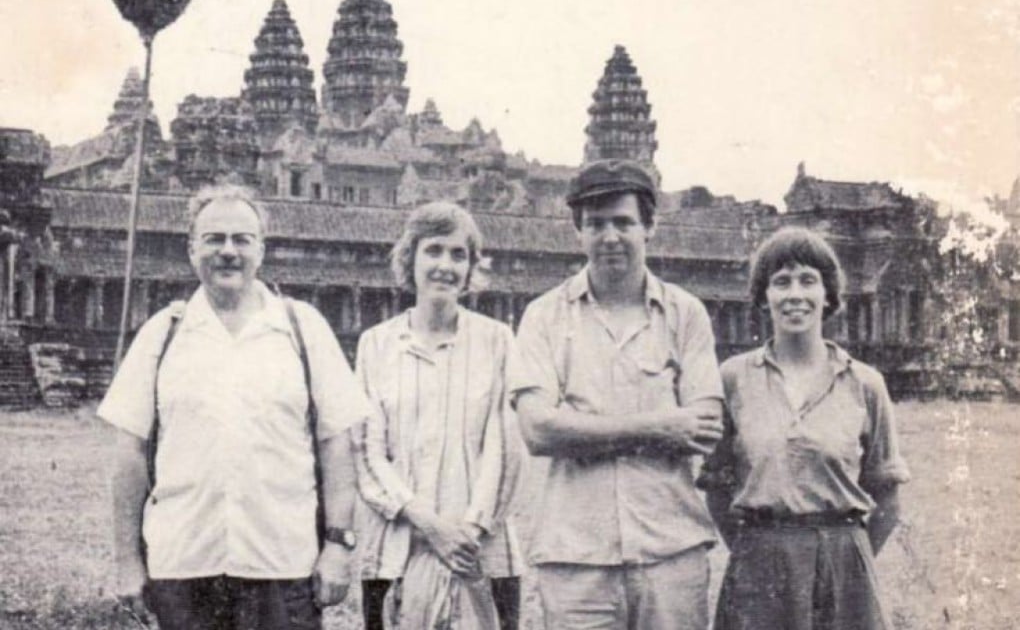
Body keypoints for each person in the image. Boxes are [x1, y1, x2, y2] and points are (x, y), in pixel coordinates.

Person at [99, 184, 371, 629]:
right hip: (184, 563)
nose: (228, 251)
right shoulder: (163, 333)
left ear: (260, 250)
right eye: (214, 239)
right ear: (192, 250)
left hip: (283, 565)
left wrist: (339, 545)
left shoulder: (302, 328)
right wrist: (127, 561)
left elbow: (336, 447)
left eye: (242, 239)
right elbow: (128, 454)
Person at [510, 159, 725, 630]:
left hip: (670, 553)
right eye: (596, 224)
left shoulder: (686, 315)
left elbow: (703, 429)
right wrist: (660, 425)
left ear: (650, 226)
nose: (610, 236)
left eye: (624, 222)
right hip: (575, 561)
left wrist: (582, 428)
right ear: (578, 233)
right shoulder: (543, 317)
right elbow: (539, 431)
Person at [699, 226, 911, 630]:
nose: (795, 294)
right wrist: (761, 550)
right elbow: (717, 487)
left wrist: (845, 558)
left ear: (828, 295)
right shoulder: (733, 379)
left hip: (844, 564)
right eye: (781, 282)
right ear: (764, 297)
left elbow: (887, 496)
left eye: (808, 281)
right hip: (759, 565)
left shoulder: (865, 383)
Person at [353, 202, 523, 630]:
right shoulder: (376, 345)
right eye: (433, 251)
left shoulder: (498, 341)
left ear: (471, 269)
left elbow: (504, 449)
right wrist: (430, 525)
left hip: (482, 552)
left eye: (458, 254)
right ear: (410, 259)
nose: (445, 266)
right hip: (395, 551)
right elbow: (367, 453)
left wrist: (468, 532)